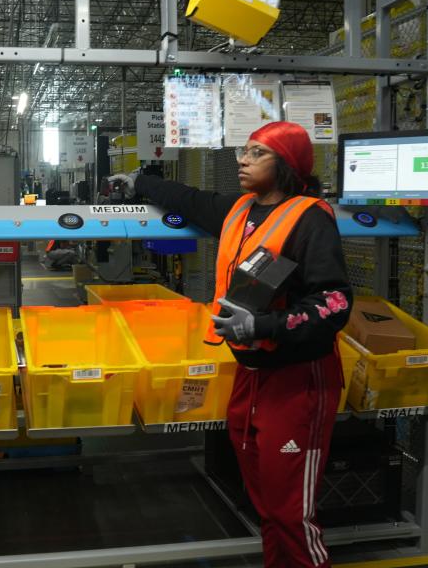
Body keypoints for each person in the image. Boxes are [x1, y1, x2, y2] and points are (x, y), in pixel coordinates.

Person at [111, 121, 352, 568]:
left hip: (297, 380)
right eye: (244, 150)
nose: (242, 160)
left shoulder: (310, 218)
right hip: (250, 373)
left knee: (291, 512)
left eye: (256, 153)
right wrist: (140, 182)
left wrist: (263, 325)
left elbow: (334, 303)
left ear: (285, 164)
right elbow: (191, 200)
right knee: (265, 504)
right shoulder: (240, 210)